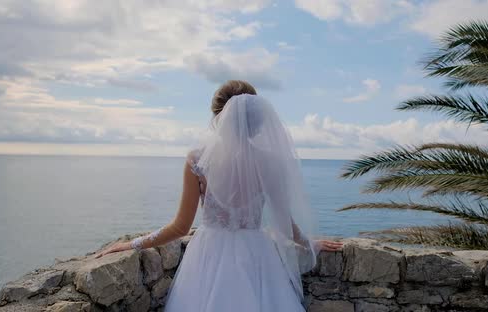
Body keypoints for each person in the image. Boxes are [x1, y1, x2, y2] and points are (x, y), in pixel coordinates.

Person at [96, 80, 343, 311]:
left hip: (208, 256)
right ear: (257, 120)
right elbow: (283, 221)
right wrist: (309, 243)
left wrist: (131, 244)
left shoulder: (198, 160)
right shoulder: (269, 162)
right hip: (256, 255)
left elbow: (181, 227)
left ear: (217, 115)